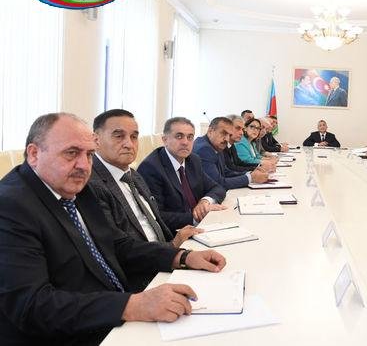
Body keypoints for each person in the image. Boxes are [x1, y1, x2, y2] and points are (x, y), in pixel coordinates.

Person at [0, 113, 227, 345]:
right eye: (71, 153)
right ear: (34, 154)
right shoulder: (10, 206)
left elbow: (117, 244)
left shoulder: (76, 187)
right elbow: (32, 305)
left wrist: (181, 257)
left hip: (110, 311)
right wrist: (132, 305)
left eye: (89, 154)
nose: (84, 165)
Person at [89, 110, 204, 290]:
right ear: (96, 140)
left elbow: (155, 222)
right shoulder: (91, 183)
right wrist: (174, 250)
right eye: (119, 136)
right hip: (141, 278)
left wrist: (176, 245)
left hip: (164, 259)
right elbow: (117, 249)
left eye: (134, 137)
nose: (129, 144)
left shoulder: (133, 175)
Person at [137, 117, 227, 231]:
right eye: (179, 136)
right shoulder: (151, 168)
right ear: (165, 140)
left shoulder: (193, 160)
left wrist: (205, 201)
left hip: (201, 226)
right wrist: (196, 216)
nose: (185, 142)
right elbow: (156, 216)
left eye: (190, 137)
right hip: (175, 233)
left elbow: (217, 187)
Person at [193, 117, 269, 190]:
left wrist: (250, 174)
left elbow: (226, 172)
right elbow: (217, 183)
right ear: (210, 131)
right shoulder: (204, 149)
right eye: (223, 133)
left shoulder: (216, 144)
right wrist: (250, 178)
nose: (227, 139)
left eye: (229, 135)